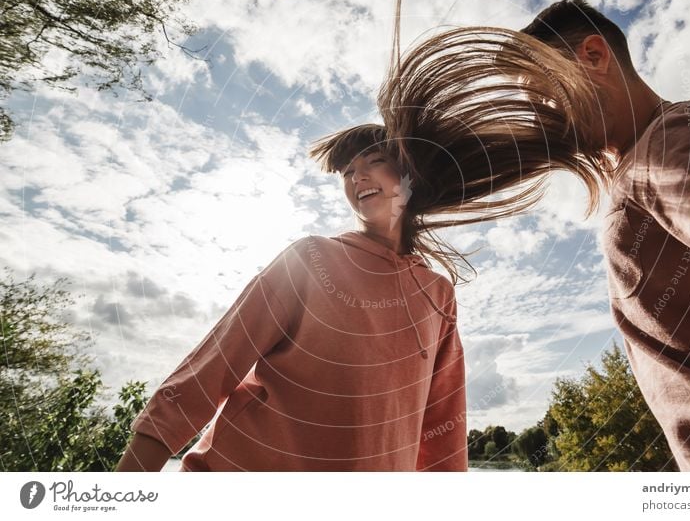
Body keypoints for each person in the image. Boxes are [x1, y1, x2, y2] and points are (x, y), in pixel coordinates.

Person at [376, 0, 690, 471]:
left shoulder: (675, 143)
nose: (541, 116)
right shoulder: (650, 159)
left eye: (542, 95)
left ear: (593, 57)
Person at [116, 124, 467, 471]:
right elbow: (211, 369)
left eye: (374, 161)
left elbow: (444, 429)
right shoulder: (311, 258)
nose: (357, 177)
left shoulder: (437, 294)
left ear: (409, 175)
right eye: (347, 172)